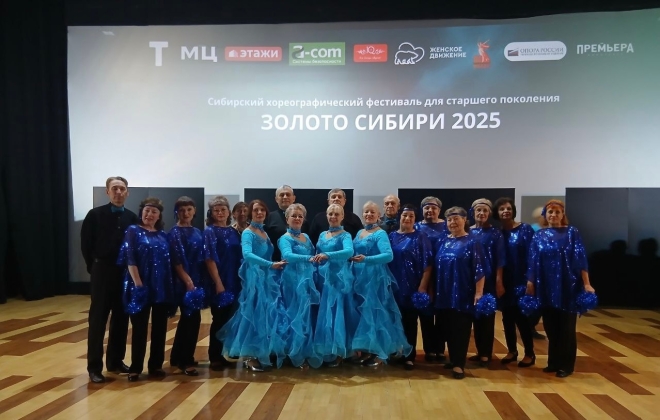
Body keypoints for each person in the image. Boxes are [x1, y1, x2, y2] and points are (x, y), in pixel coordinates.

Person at [526, 199, 596, 378]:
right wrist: (530, 282)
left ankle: (566, 365)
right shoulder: (539, 235)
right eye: (550, 212)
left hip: (568, 286)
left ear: (563, 215)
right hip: (545, 287)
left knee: (566, 328)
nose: (553, 215)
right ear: (545, 215)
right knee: (550, 326)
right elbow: (533, 260)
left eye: (557, 212)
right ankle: (553, 362)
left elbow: (581, 259)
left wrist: (586, 283)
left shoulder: (571, 232)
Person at [218, 199, 288, 371]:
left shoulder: (263, 232)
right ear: (250, 213)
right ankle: (249, 356)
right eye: (256, 210)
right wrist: (271, 265)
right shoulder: (248, 232)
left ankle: (261, 351)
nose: (259, 213)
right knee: (253, 314)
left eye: (262, 210)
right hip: (254, 278)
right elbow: (248, 255)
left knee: (265, 315)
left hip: (266, 277)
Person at [81, 176, 138, 383]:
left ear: (127, 192)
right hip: (102, 271)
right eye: (114, 188)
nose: (118, 192)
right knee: (98, 320)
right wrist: (95, 268)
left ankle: (115, 361)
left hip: (124, 273)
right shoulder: (94, 215)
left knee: (121, 319)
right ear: (107, 191)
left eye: (122, 189)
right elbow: (86, 245)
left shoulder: (132, 217)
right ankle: (94, 367)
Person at [118, 197, 174, 382]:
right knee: (139, 328)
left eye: (154, 212)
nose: (150, 214)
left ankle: (156, 365)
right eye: (147, 211)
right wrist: (138, 284)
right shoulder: (133, 231)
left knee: (160, 328)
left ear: (159, 216)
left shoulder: (163, 235)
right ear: (142, 212)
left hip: (161, 287)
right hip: (139, 286)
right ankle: (135, 367)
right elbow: (130, 258)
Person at [350, 201, 412, 367]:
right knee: (364, 315)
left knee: (377, 314)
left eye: (372, 212)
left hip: (374, 278)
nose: (369, 214)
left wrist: (367, 259)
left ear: (378, 216)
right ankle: (368, 349)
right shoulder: (360, 232)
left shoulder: (380, 233)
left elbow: (388, 255)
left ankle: (380, 352)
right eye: (366, 212)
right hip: (359, 278)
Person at [433, 207, 485, 379]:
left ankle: (459, 364)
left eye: (456, 219)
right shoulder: (443, 241)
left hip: (463, 292)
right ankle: (453, 357)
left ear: (464, 220)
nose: (452, 222)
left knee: (460, 329)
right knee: (447, 328)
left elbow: (479, 269)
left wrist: (479, 292)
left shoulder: (472, 242)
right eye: (449, 219)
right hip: (443, 292)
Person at [312, 204, 359, 367]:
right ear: (326, 216)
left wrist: (327, 255)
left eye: (336, 214)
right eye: (330, 213)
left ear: (342, 216)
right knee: (325, 313)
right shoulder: (322, 234)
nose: (333, 216)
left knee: (338, 313)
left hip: (339, 278)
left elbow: (348, 252)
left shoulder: (345, 235)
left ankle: (339, 351)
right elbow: (317, 253)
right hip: (323, 278)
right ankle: (327, 349)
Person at [388, 204, 433, 370]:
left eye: (411, 216)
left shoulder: (420, 237)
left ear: (415, 219)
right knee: (393, 321)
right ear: (399, 217)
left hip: (412, 286)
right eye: (405, 215)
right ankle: (395, 352)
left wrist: (422, 287)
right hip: (393, 286)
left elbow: (428, 266)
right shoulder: (391, 236)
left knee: (409, 323)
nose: (407, 219)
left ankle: (409, 356)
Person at [278, 203, 322, 368]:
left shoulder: (306, 237)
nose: (297, 218)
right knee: (294, 315)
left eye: (300, 216)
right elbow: (288, 255)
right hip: (292, 280)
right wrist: (309, 259)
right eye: (293, 216)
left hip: (307, 280)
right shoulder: (285, 238)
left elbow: (313, 253)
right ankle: (294, 354)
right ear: (287, 219)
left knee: (305, 316)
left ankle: (303, 350)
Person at [493, 197, 535, 368]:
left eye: (508, 208)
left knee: (522, 318)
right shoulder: (498, 233)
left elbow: (533, 255)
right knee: (507, 318)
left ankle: (530, 353)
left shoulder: (525, 229)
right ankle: (512, 351)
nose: (506, 211)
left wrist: (531, 279)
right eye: (502, 209)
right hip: (505, 280)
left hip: (522, 279)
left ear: (513, 211)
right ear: (497, 213)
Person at [204, 196, 243, 370]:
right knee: (218, 319)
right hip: (219, 281)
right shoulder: (210, 232)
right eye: (216, 210)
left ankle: (223, 353)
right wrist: (218, 283)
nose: (220, 213)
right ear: (211, 213)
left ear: (229, 212)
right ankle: (214, 357)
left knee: (229, 319)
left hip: (234, 280)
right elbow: (209, 259)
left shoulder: (233, 231)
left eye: (223, 210)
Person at [168, 196, 205, 376]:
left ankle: (177, 356)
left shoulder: (197, 231)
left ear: (194, 211)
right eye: (182, 210)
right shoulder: (174, 233)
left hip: (196, 279)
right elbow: (176, 261)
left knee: (188, 320)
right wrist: (188, 281)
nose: (186, 213)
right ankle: (185, 360)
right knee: (191, 319)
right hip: (183, 281)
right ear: (177, 212)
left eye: (189, 209)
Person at [467, 199, 505, 367]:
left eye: (485, 210)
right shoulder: (468, 231)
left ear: (489, 213)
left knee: (486, 317)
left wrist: (498, 280)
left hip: (488, 280)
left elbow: (500, 259)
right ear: (473, 212)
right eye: (479, 210)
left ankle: (486, 353)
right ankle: (478, 350)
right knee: (473, 317)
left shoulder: (495, 233)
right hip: (470, 281)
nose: (481, 213)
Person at [414, 196, 448, 362]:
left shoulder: (446, 226)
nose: (430, 210)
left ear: (439, 210)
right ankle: (429, 349)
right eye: (427, 207)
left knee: (442, 314)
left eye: (433, 208)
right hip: (423, 273)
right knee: (426, 314)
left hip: (443, 274)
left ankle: (440, 349)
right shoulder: (417, 227)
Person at [265, 185, 309, 261]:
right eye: (282, 195)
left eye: (288, 194)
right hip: (276, 262)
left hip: (301, 262)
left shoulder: (302, 220)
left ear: (294, 198)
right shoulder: (268, 218)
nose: (285, 197)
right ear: (276, 199)